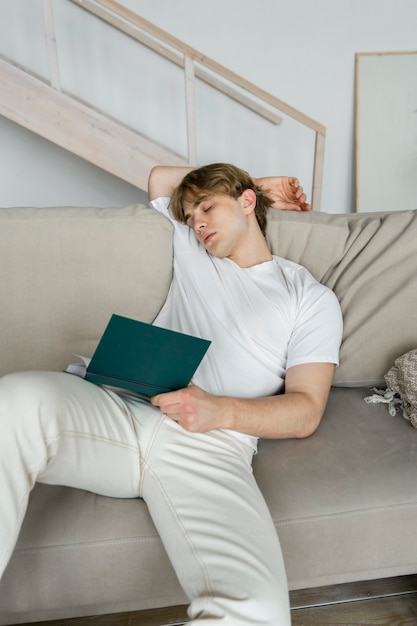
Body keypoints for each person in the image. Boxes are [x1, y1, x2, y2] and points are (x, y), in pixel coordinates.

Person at [0, 163, 342, 626]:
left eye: (207, 208)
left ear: (245, 206)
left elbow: (305, 411)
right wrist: (259, 185)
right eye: (189, 215)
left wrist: (217, 409)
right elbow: (162, 178)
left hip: (213, 445)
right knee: (14, 401)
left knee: (255, 611)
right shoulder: (194, 248)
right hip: (121, 410)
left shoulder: (308, 296)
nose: (197, 222)